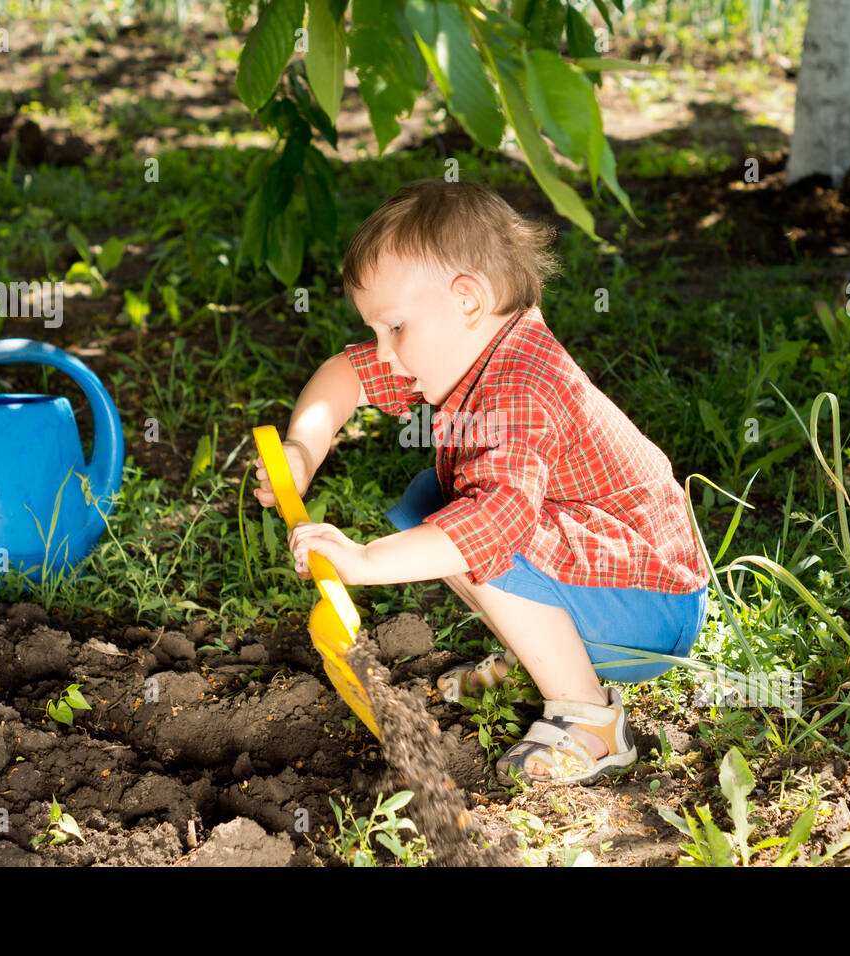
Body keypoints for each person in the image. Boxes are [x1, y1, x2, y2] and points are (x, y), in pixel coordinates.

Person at [253, 179, 710, 786]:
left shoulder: (520, 388)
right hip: (609, 587)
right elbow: (347, 374)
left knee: (482, 529)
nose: (384, 352)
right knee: (431, 505)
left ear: (468, 300)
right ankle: (543, 656)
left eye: (394, 329)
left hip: (648, 613)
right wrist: (303, 450)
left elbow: (493, 524)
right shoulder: (469, 350)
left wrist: (362, 559)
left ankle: (590, 721)